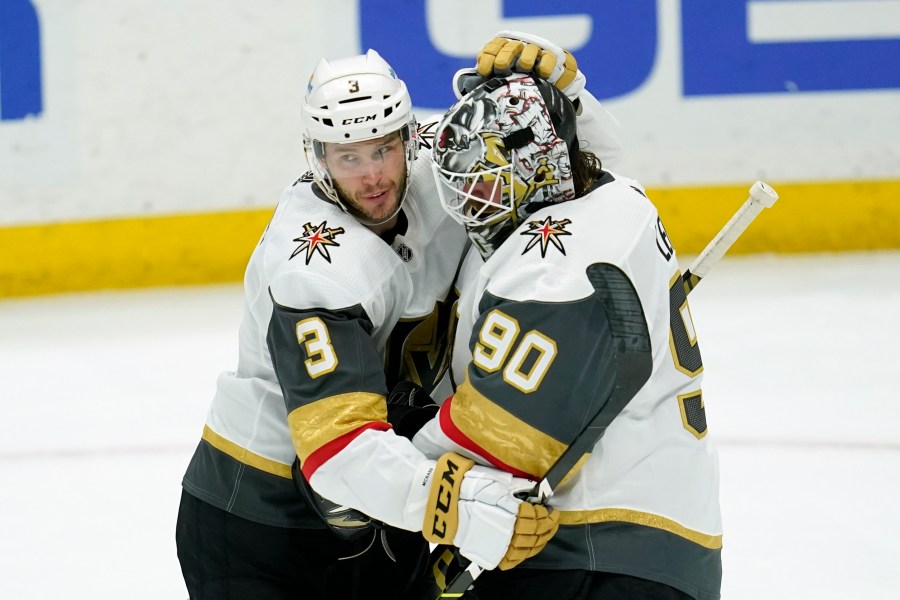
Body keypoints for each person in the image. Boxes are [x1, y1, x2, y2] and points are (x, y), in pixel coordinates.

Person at [176, 36, 624, 599]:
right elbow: (337, 446)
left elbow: (584, 174)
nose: (373, 177)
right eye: (348, 158)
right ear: (317, 158)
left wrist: (567, 96)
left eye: (383, 149)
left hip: (381, 495)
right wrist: (457, 508)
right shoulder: (313, 264)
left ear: (412, 138)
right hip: (261, 522)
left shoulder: (452, 156)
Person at [413, 61, 723, 598]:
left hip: (605, 548)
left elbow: (500, 434)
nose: (472, 204)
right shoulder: (617, 197)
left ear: (539, 167)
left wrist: (384, 466)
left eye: (487, 182)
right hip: (648, 542)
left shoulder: (555, 267)